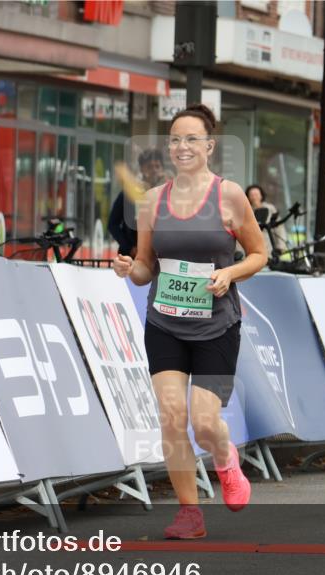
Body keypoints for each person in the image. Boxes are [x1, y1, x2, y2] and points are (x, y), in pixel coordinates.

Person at [112, 104, 267, 539]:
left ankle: (225, 458)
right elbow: (146, 267)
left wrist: (229, 273)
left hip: (218, 325)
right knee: (171, 414)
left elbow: (259, 253)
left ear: (209, 146)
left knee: (203, 421)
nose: (182, 147)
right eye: (175, 139)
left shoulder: (229, 196)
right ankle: (189, 513)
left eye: (191, 139)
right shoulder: (152, 202)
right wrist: (130, 270)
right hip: (165, 321)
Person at [108, 148, 166, 256]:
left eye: (157, 166)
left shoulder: (167, 194)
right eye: (149, 166)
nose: (154, 170)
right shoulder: (128, 194)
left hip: (159, 259)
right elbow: (113, 225)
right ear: (142, 169)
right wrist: (129, 247)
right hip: (131, 257)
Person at [244, 183, 284, 257]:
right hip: (252, 245)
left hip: (268, 243)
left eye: (256, 194)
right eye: (252, 195)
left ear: (261, 195)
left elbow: (279, 228)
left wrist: (280, 246)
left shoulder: (270, 208)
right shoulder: (246, 210)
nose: (254, 197)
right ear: (248, 197)